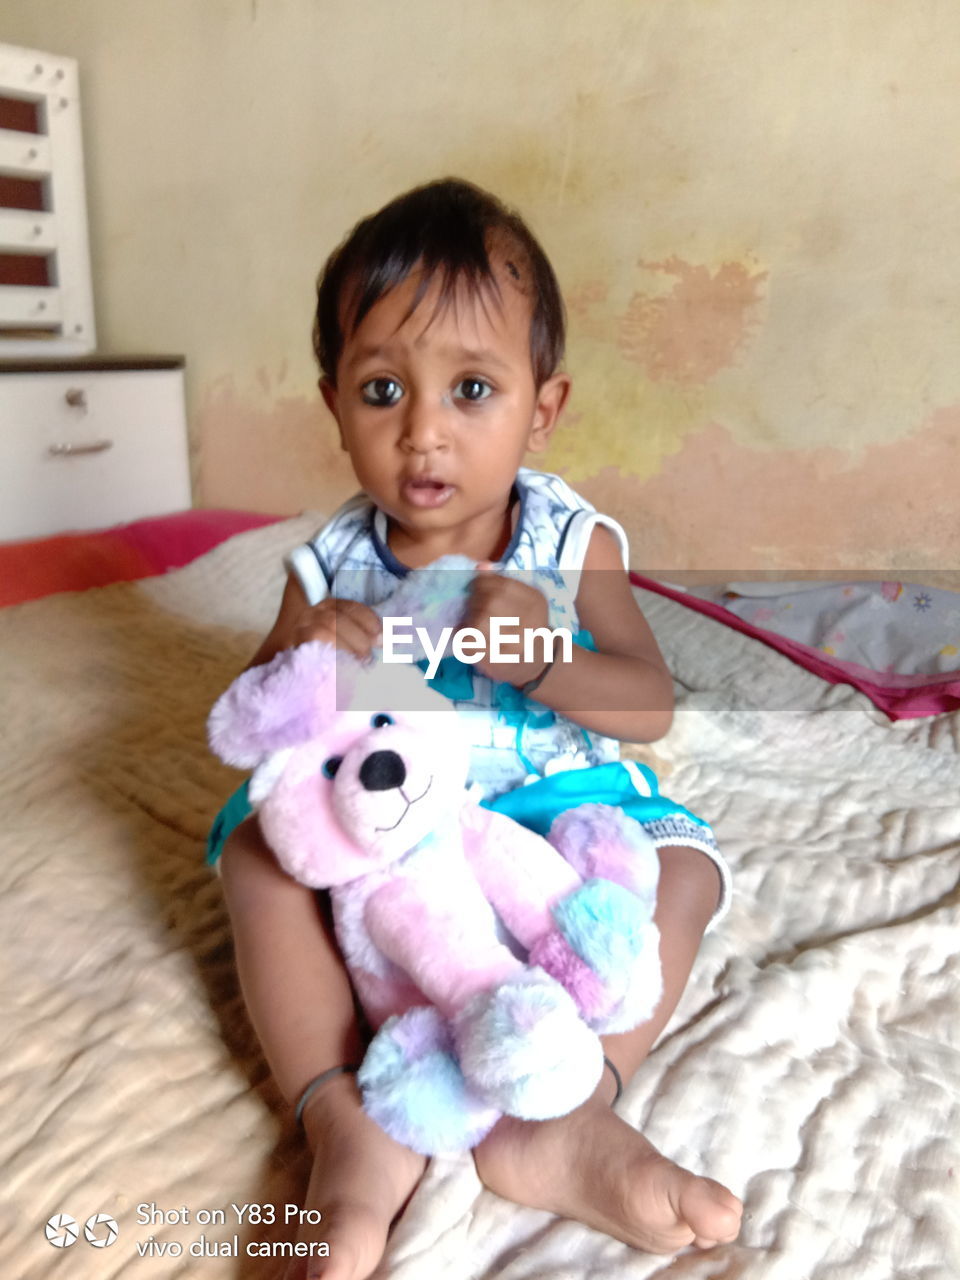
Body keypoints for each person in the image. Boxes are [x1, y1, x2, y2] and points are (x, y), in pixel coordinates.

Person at [210, 177, 743, 1280]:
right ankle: (339, 1119)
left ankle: (573, 1106)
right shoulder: (330, 566)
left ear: (541, 408)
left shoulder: (568, 541)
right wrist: (302, 652)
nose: (422, 432)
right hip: (392, 835)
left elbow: (648, 697)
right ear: (333, 401)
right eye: (381, 389)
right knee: (258, 851)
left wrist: (551, 658)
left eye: (469, 388)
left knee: (684, 864)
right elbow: (259, 721)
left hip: (548, 808)